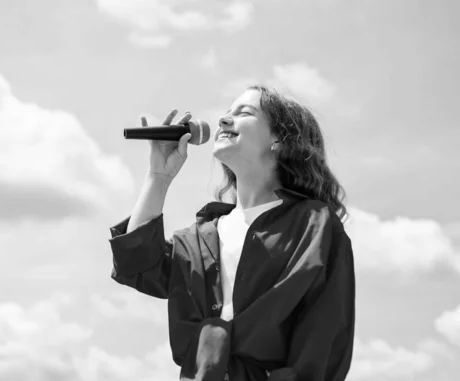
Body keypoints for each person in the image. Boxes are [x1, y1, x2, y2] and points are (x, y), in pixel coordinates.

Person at [108, 85, 355, 381]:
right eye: (226, 113)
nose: (223, 120)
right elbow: (136, 263)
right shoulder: (199, 238)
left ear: (279, 138)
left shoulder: (314, 224)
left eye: (244, 113)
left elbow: (324, 334)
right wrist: (158, 176)